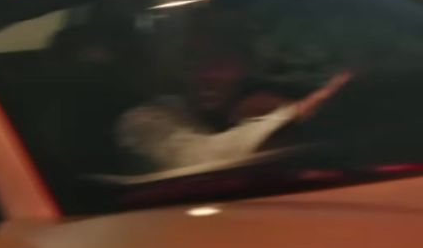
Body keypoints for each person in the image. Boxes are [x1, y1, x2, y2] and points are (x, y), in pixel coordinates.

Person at [116, 18, 349, 173]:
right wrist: (294, 114)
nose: (205, 75)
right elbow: (198, 160)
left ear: (246, 66)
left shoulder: (257, 105)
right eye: (193, 60)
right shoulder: (142, 121)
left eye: (220, 62)